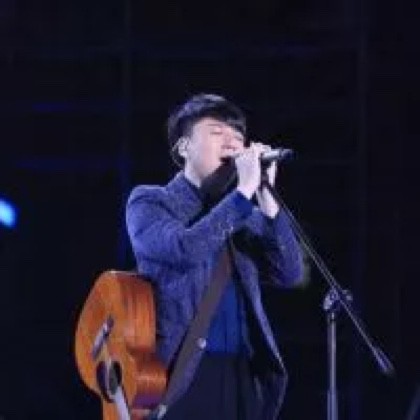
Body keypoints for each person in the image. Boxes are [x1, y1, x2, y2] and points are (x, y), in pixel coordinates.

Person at [125, 93, 304, 419]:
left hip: (242, 374)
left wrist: (266, 198)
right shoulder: (151, 202)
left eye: (238, 136)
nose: (232, 143)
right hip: (182, 373)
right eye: (217, 132)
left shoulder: (244, 215)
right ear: (184, 147)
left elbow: (288, 272)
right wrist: (242, 194)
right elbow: (185, 249)